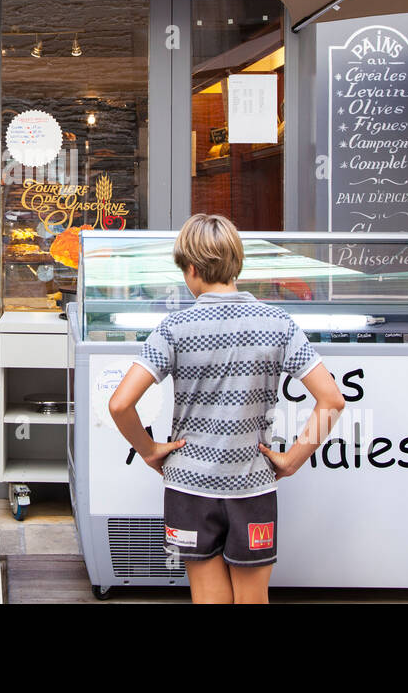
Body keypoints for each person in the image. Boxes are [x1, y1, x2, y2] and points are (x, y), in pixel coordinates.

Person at [108, 213, 345, 603]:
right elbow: (332, 400)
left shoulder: (173, 328)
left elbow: (120, 404)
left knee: (208, 596)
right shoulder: (278, 323)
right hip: (252, 485)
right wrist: (293, 459)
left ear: (194, 268)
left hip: (188, 488)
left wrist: (149, 451)